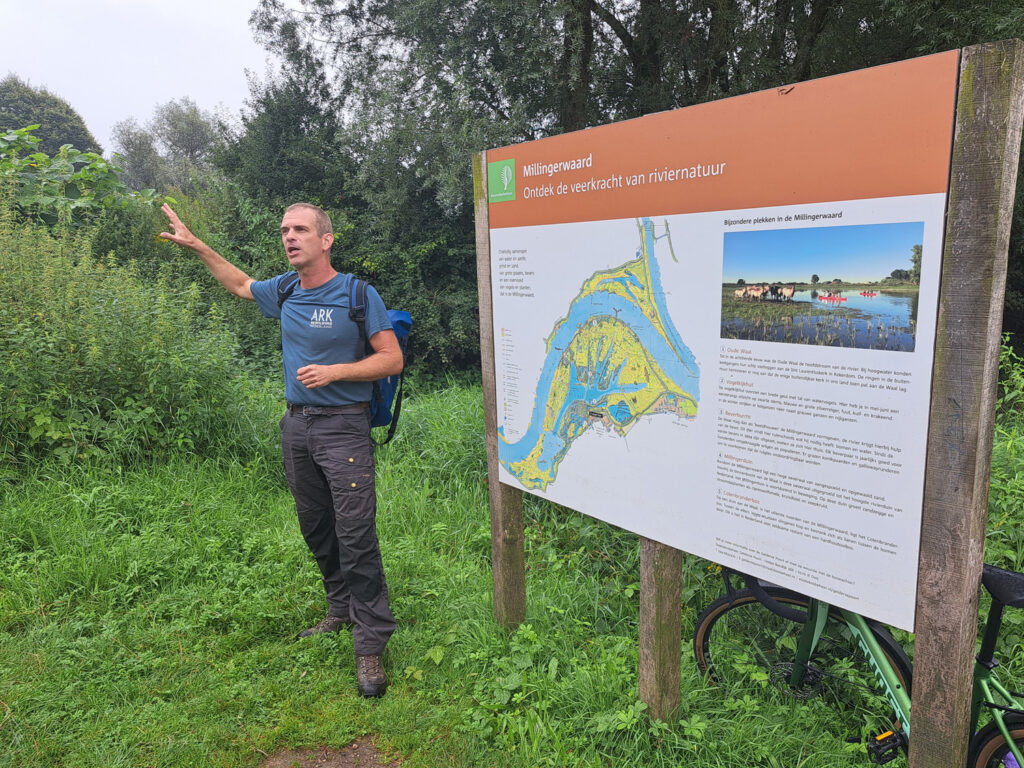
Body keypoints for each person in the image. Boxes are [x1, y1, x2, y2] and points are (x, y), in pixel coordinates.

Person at [159, 202, 401, 698]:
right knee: (315, 526)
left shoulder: (357, 293)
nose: (290, 237)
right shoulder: (286, 289)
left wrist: (336, 372)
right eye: (285, 230)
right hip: (297, 427)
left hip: (344, 429)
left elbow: (391, 357)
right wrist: (199, 245)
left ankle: (370, 643)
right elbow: (241, 286)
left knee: (355, 533)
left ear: (326, 239)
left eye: (301, 230)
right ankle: (339, 609)